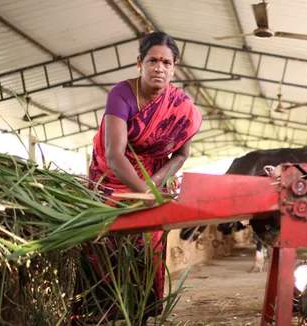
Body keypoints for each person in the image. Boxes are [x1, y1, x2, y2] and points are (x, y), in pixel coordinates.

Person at [72, 32, 202, 323]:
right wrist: (143, 191)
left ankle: (139, 311)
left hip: (151, 183)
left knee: (145, 251)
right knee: (103, 246)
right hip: (110, 182)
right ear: (139, 63)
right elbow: (114, 153)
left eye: (166, 62)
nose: (159, 67)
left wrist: (153, 187)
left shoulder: (181, 106)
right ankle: (99, 312)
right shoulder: (121, 94)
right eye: (153, 60)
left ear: (174, 67)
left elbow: (181, 156)